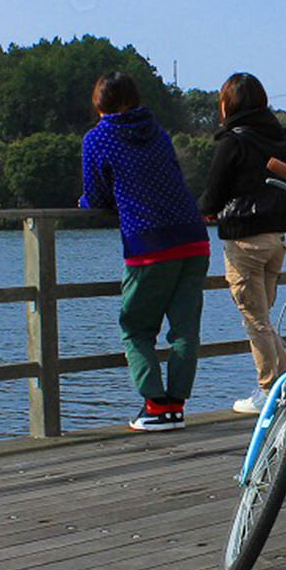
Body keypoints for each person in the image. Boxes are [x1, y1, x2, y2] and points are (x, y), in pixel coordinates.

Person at [80, 72, 210, 431]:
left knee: (135, 327)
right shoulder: (158, 131)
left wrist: (89, 203)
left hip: (150, 244)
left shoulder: (98, 139)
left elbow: (96, 195)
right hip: (193, 237)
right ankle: (176, 407)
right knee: (185, 330)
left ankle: (155, 405)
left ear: (99, 103)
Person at [198, 72, 286, 414]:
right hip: (276, 238)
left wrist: (206, 212)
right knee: (264, 317)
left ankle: (270, 392)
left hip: (244, 239)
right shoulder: (280, 139)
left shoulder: (234, 141)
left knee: (256, 320)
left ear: (228, 104)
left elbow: (214, 190)